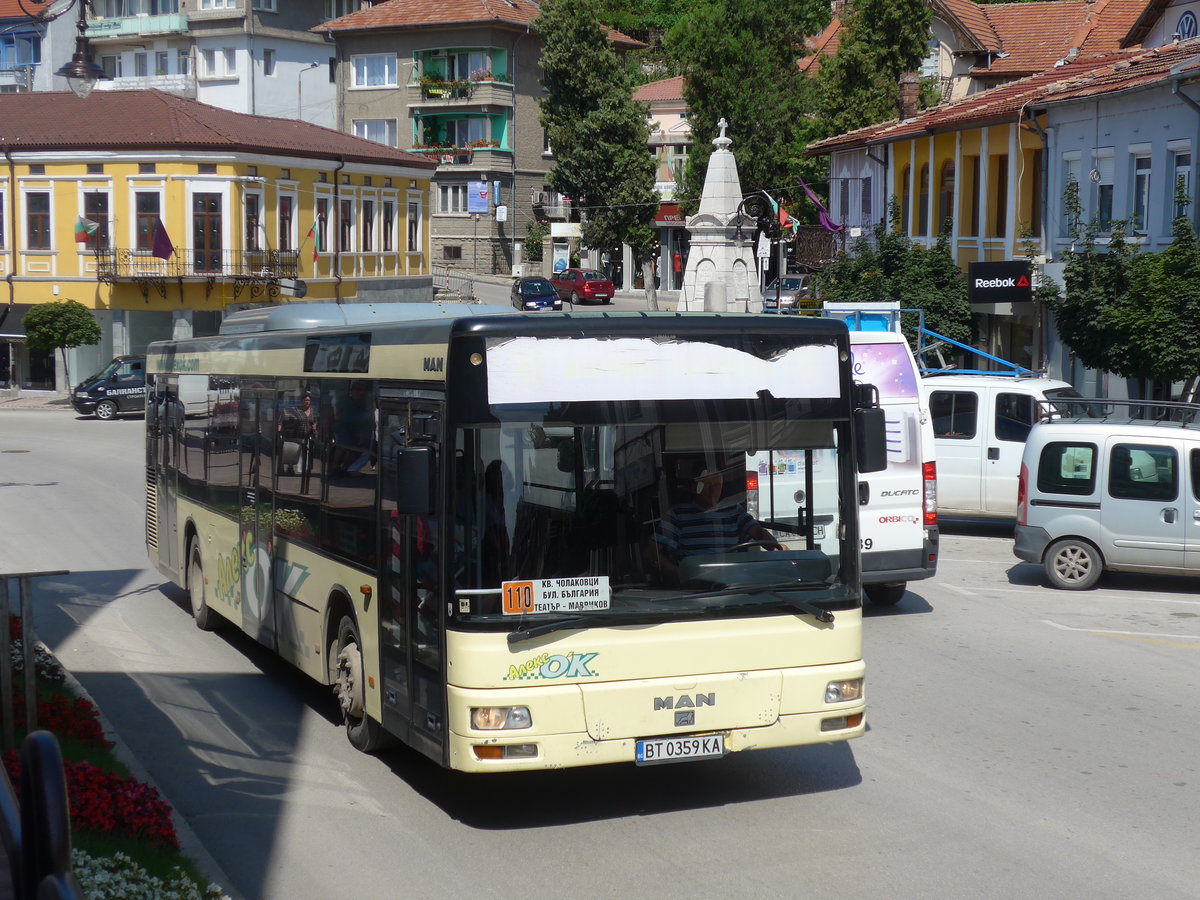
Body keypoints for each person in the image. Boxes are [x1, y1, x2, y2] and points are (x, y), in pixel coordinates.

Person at [649, 467, 783, 581]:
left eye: (717, 485)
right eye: (707, 486)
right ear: (695, 488)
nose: (713, 491)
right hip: (696, 584)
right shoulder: (678, 514)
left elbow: (757, 531)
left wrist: (775, 547)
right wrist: (681, 576)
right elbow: (651, 552)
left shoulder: (734, 510)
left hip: (733, 580)